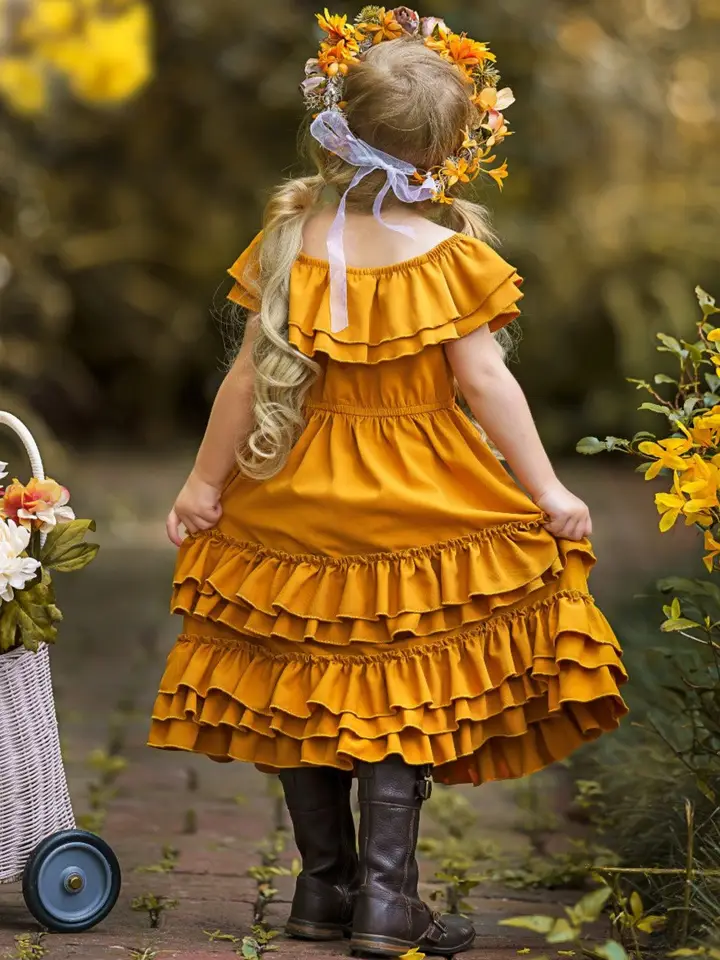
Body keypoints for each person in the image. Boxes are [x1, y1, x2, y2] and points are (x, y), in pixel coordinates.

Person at [148, 8, 628, 957]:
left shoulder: (292, 243)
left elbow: (244, 381)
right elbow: (488, 384)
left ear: (339, 123)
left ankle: (323, 890)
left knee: (306, 678)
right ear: (451, 154)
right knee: (398, 683)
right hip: (419, 494)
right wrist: (548, 493)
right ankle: (383, 899)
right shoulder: (446, 258)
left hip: (295, 486)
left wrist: (202, 486)